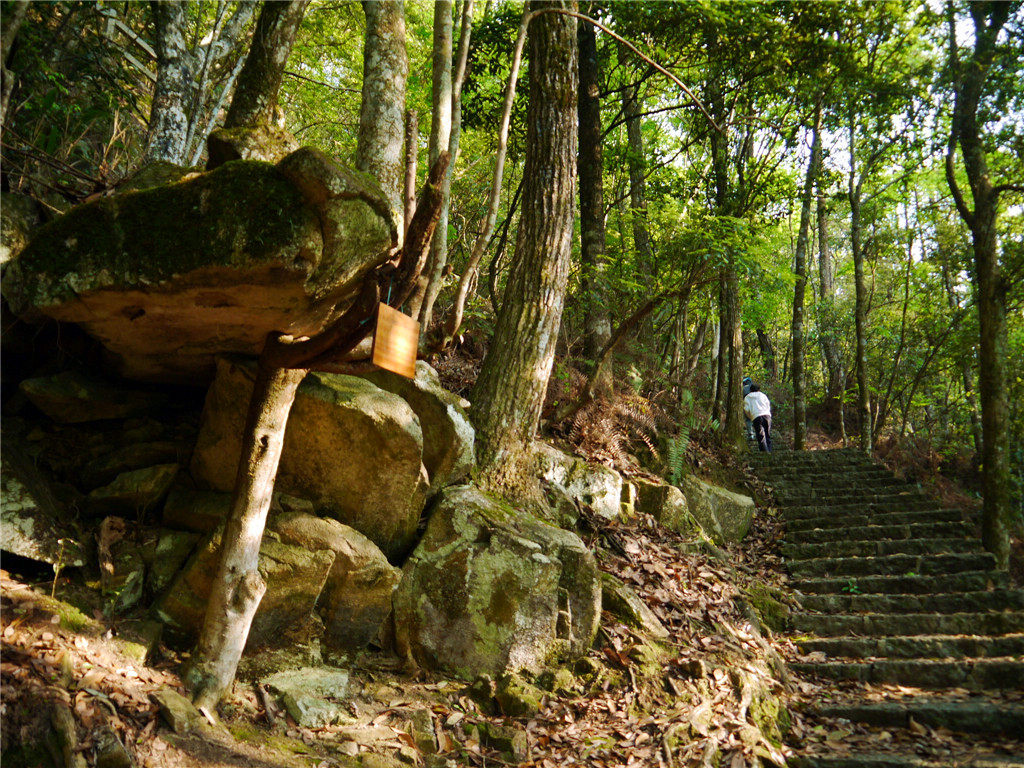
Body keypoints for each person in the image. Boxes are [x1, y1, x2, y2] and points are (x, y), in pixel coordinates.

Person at [743, 383, 772, 452]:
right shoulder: (763, 395)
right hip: (766, 415)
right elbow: (767, 404)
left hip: (756, 417)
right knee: (767, 434)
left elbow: (746, 409)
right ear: (759, 389)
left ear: (750, 390)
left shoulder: (747, 397)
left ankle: (765, 452)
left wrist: (751, 416)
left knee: (760, 436)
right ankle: (769, 451)